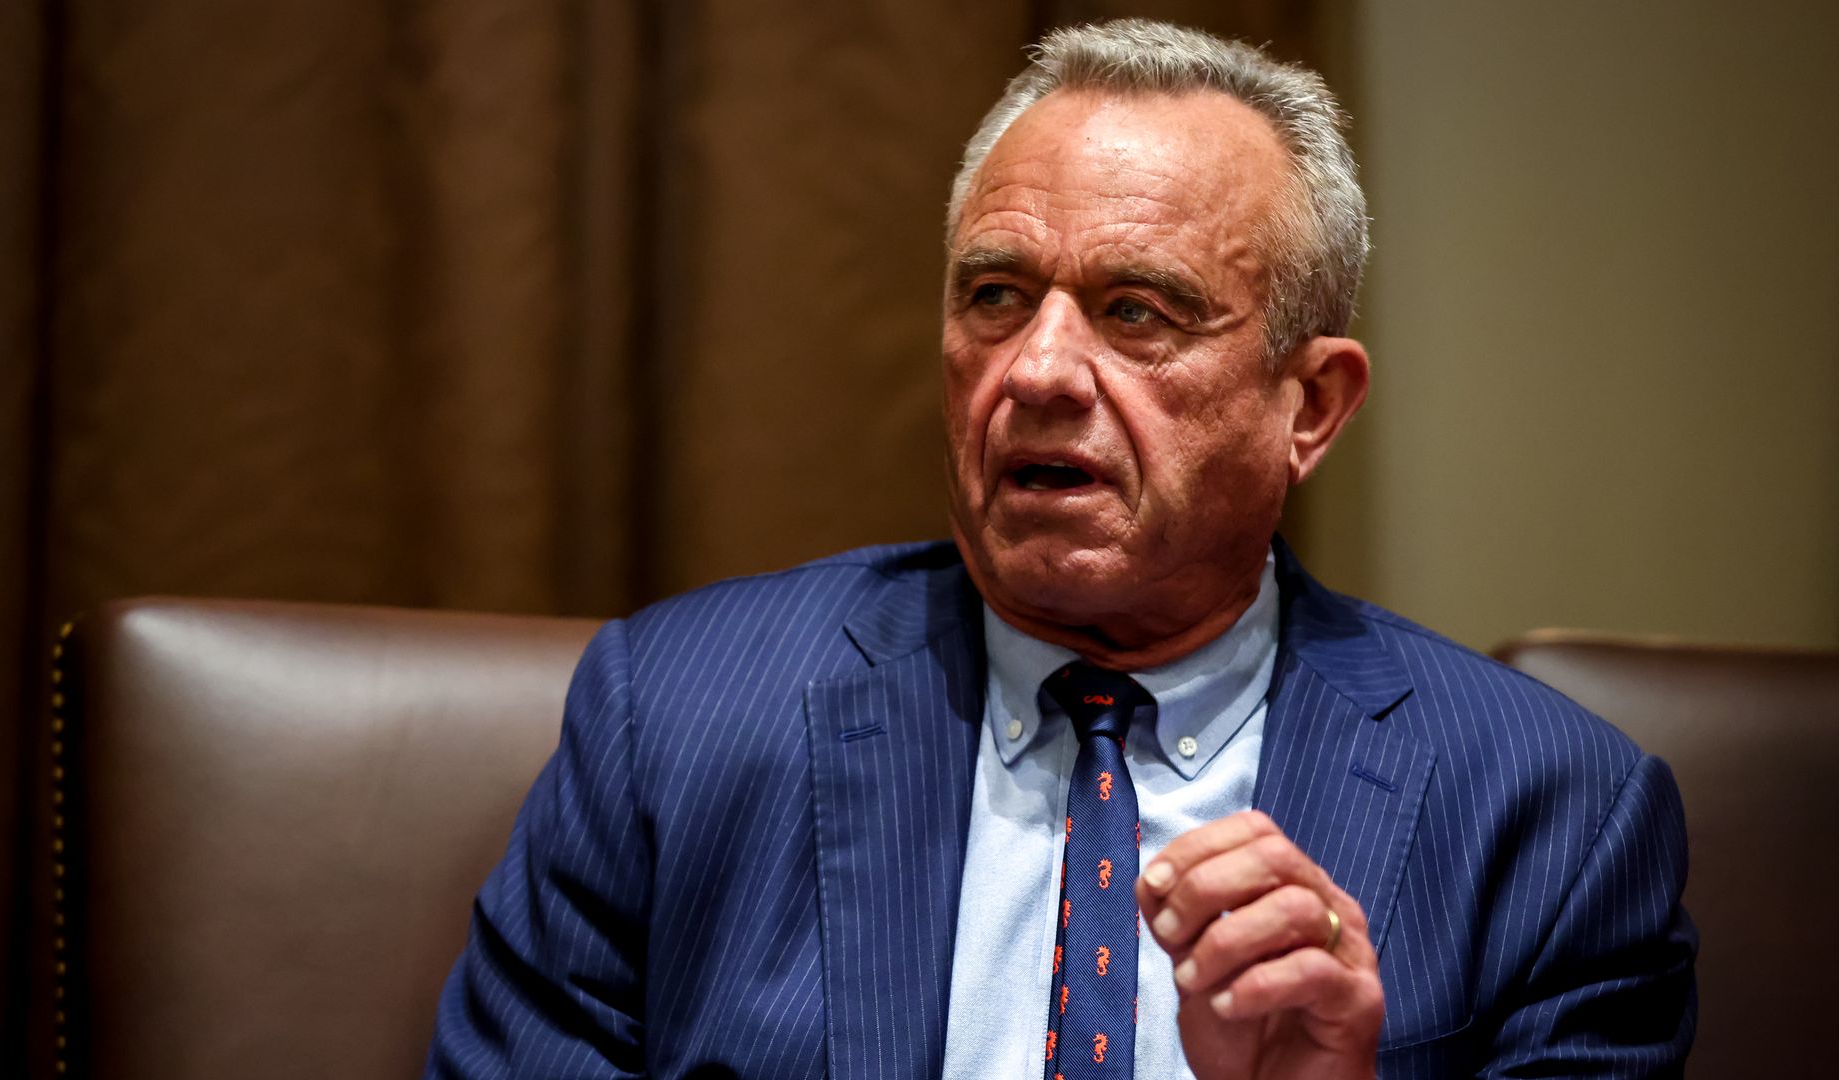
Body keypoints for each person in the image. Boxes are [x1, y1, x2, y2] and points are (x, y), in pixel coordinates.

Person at [425, 19, 1696, 1079]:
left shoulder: (1554, 821)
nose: (1034, 370)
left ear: (1309, 408)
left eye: (1135, 311)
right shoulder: (678, 713)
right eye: (993, 295)